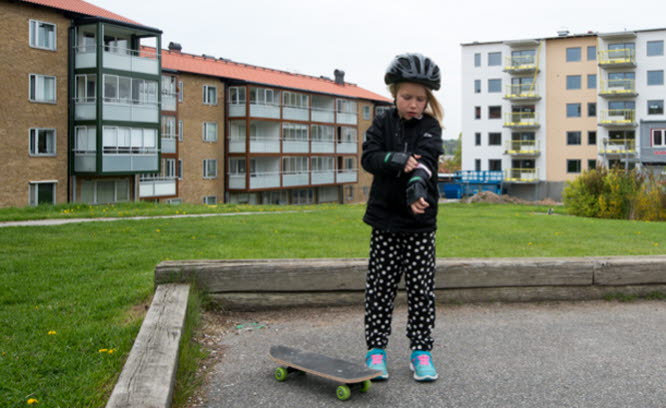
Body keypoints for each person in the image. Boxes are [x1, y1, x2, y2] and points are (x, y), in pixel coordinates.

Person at [361, 53, 444, 382]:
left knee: (421, 290)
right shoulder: (382, 123)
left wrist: (415, 189)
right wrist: (394, 159)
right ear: (394, 94)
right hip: (385, 222)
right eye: (407, 97)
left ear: (428, 100)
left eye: (420, 99)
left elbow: (426, 162)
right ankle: (376, 351)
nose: (413, 104)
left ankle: (421, 352)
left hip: (420, 225)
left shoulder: (430, 127)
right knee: (380, 288)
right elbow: (369, 157)